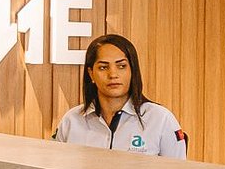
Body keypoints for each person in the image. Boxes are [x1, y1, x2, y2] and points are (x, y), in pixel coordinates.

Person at [52, 33, 188, 158]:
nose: (113, 74)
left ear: (132, 71)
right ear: (91, 74)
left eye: (121, 66)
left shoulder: (160, 119)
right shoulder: (72, 121)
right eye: (103, 67)